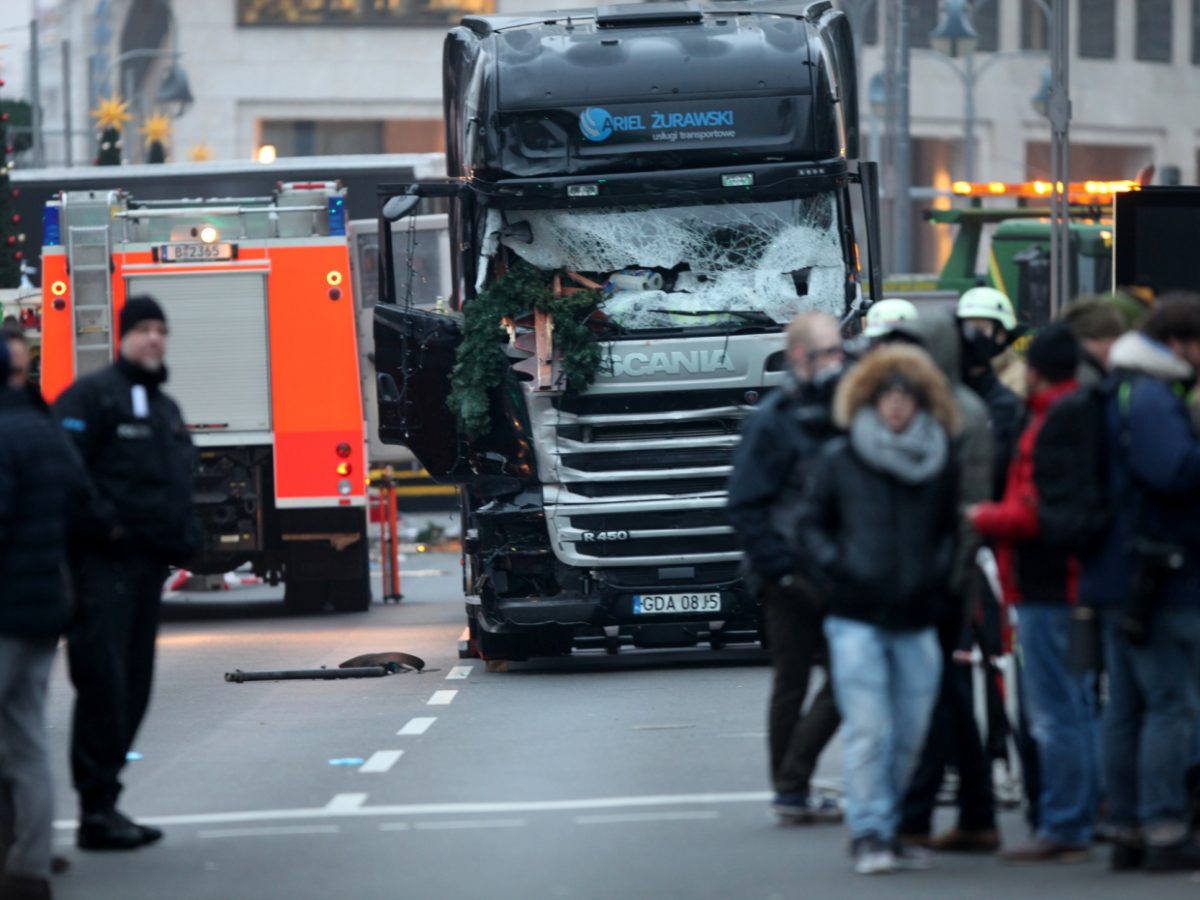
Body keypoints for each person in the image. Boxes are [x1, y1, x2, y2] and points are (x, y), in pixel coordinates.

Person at [798, 343, 960, 875]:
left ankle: (888, 829)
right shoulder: (840, 458)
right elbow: (810, 525)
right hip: (856, 615)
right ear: (870, 398)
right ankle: (869, 832)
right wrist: (838, 570)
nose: (895, 405)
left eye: (905, 396)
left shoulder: (938, 458)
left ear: (922, 401)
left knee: (910, 734)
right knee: (869, 728)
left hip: (917, 615)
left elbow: (948, 530)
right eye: (887, 395)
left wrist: (936, 575)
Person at [54, 296, 199, 851]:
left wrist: (187, 539)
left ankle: (108, 803)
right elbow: (69, 476)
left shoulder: (161, 407)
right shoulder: (92, 399)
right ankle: (95, 809)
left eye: (160, 329)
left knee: (134, 688)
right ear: (122, 336)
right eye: (142, 328)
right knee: (104, 684)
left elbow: (172, 482)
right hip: (101, 569)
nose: (153, 339)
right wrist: (108, 531)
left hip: (144, 573)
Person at [969, 323, 1099, 864]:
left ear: (1037, 368)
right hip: (1063, 582)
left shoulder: (1054, 418)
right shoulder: (1075, 410)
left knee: (1055, 710)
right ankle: (1081, 814)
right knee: (1078, 704)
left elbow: (1040, 508)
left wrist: (983, 515)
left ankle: (1066, 824)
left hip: (1047, 584)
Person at [1081, 295, 1200, 873]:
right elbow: (1173, 471)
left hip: (1116, 571)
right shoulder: (1154, 397)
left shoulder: (1122, 388)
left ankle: (1126, 823)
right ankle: (1164, 824)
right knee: (1170, 704)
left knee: (1125, 705)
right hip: (1157, 573)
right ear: (1181, 343)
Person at [887, 314, 999, 854]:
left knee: (935, 699)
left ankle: (916, 816)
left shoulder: (960, 413)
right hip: (933, 574)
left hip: (945, 580)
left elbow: (966, 513)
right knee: (947, 698)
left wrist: (948, 584)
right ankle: (976, 813)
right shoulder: (942, 408)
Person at [727, 312, 844, 824]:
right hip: (789, 573)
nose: (840, 363)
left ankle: (791, 786)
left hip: (833, 568)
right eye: (830, 354)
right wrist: (778, 569)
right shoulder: (772, 421)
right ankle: (791, 788)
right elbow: (745, 502)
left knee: (833, 680)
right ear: (800, 357)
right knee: (802, 680)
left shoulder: (840, 410)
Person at [0, 340, 89, 900]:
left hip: (5, 609)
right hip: (41, 613)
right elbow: (82, 504)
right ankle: (29, 864)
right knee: (27, 737)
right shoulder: (45, 430)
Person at [956, 287, 1024, 500]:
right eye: (967, 330)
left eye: (981, 329)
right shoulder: (962, 377)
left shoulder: (1019, 379)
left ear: (1002, 334)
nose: (973, 338)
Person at [1060, 296, 1126, 386]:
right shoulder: (1088, 381)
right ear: (1098, 339)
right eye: (1115, 340)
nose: (1118, 347)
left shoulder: (1061, 370)